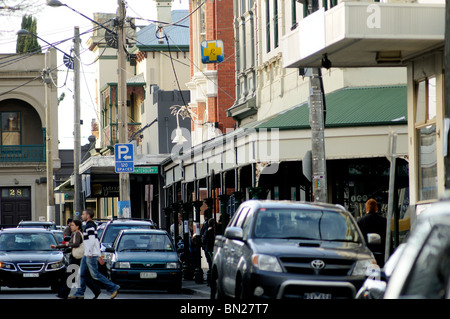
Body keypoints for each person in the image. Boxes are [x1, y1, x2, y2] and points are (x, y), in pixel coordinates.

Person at [69, 209, 120, 299]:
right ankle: (80, 293)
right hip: (87, 254)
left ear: (88, 216)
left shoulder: (90, 226)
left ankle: (113, 287)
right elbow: (95, 241)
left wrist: (91, 253)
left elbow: (92, 240)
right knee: (82, 273)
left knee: (95, 274)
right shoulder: (89, 225)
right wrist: (98, 254)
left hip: (90, 254)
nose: (81, 216)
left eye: (83, 214)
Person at [51, 219, 101, 299]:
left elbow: (76, 244)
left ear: (77, 226)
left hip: (77, 258)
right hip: (77, 258)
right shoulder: (75, 233)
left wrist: (69, 244)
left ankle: (63, 294)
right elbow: (68, 244)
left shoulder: (77, 234)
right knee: (82, 276)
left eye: (72, 225)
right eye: (70, 225)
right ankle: (96, 289)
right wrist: (57, 246)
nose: (70, 226)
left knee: (70, 275)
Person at [357, 198, 387, 267]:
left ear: (366, 209)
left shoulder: (360, 221)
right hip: (381, 255)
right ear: (376, 208)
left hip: (366, 254)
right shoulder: (384, 221)